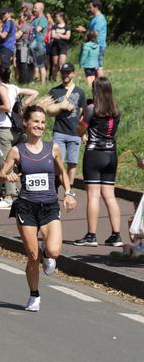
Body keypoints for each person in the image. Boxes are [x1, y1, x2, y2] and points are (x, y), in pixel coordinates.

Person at [0, 105, 77, 311]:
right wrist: (9, 175)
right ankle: (34, 295)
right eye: (35, 122)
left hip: (49, 206)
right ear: (26, 123)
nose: (40, 126)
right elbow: (0, 174)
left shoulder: (53, 148)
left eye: (42, 122)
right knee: (32, 256)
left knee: (54, 250)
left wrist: (68, 193)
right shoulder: (17, 151)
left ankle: (47, 255)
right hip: (26, 207)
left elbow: (61, 173)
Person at [74, 77, 123, 247]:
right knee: (110, 195)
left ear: (96, 91)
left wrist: (80, 123)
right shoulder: (116, 109)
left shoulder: (91, 109)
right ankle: (116, 235)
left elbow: (80, 129)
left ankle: (91, 235)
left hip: (94, 153)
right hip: (111, 154)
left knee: (93, 195)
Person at [0, 66, 38, 209]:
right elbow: (35, 92)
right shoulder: (14, 88)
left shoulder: (1, 88)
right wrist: (25, 104)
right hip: (16, 129)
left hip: (4, 129)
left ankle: (10, 196)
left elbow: (7, 106)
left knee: (6, 163)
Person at [46, 63, 86, 186]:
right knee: (58, 162)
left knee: (73, 163)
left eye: (68, 72)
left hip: (75, 133)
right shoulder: (54, 91)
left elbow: (83, 115)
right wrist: (61, 107)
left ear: (73, 74)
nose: (65, 75)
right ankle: (64, 187)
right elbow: (48, 110)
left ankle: (70, 189)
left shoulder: (80, 92)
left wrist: (83, 133)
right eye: (63, 72)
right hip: (59, 132)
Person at [76, 0, 107, 77]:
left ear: (96, 7)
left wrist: (84, 30)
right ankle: (96, 85)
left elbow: (95, 33)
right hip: (93, 45)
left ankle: (102, 85)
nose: (89, 9)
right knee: (93, 67)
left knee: (98, 67)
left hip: (98, 46)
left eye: (90, 7)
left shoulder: (100, 19)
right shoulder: (94, 18)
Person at [49, 12, 71, 82]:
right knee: (55, 64)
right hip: (55, 46)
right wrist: (62, 36)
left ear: (61, 17)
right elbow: (53, 35)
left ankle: (62, 79)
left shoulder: (67, 27)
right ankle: (53, 79)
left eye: (57, 17)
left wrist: (58, 34)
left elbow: (68, 37)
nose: (56, 18)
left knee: (62, 63)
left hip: (63, 46)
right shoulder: (54, 26)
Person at [30, 2, 49, 84]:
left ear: (41, 9)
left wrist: (30, 28)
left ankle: (43, 83)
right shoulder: (34, 19)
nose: (34, 9)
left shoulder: (43, 19)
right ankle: (34, 80)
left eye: (35, 8)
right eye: (33, 7)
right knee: (34, 65)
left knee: (41, 65)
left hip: (39, 45)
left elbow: (38, 29)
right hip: (32, 44)